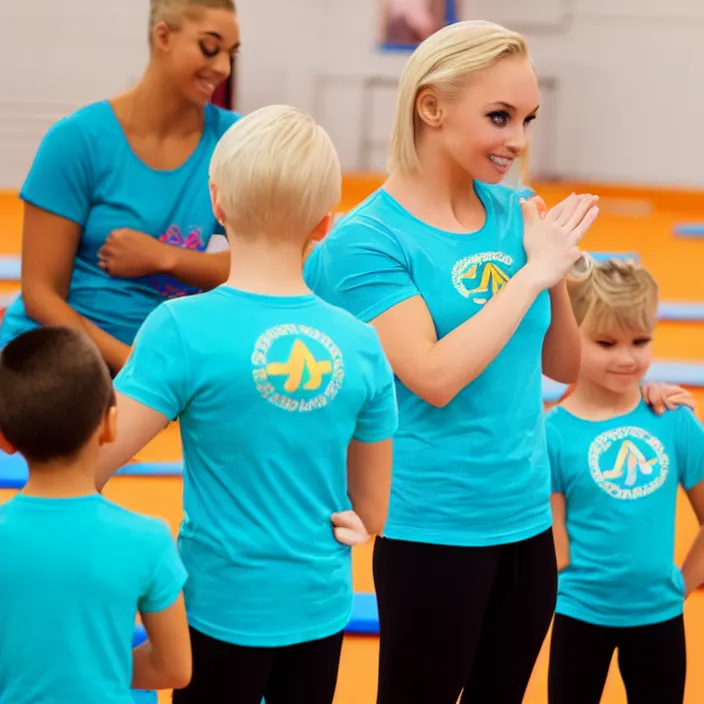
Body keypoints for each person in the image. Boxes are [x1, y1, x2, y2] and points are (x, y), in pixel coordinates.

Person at [303, 20, 686, 703]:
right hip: (431, 525)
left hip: (527, 523)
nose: (518, 140)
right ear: (431, 107)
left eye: (527, 119)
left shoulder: (518, 215)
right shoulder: (367, 241)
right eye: (500, 117)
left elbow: (565, 366)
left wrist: (560, 276)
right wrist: (533, 273)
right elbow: (434, 376)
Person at [94, 105, 398, 703]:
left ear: (217, 201)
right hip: (318, 604)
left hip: (217, 604)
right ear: (324, 224)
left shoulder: (181, 328)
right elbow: (373, 513)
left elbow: (90, 467)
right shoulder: (362, 344)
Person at [0, 0, 240, 374]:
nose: (223, 67)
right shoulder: (78, 139)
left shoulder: (234, 141)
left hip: (157, 367)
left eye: (231, 53)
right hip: (59, 361)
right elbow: (40, 294)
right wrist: (136, 366)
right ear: (163, 36)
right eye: (210, 47)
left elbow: (266, 261)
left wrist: (168, 258)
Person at [0, 326, 191, 703]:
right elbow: (175, 668)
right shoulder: (148, 541)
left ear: (4, 439)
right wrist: (96, 672)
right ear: (109, 424)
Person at [548, 256, 704, 704]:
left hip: (659, 616)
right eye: (605, 341)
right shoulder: (553, 433)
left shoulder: (673, 422)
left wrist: (683, 583)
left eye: (640, 340)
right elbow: (552, 548)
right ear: (571, 336)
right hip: (578, 615)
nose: (627, 357)